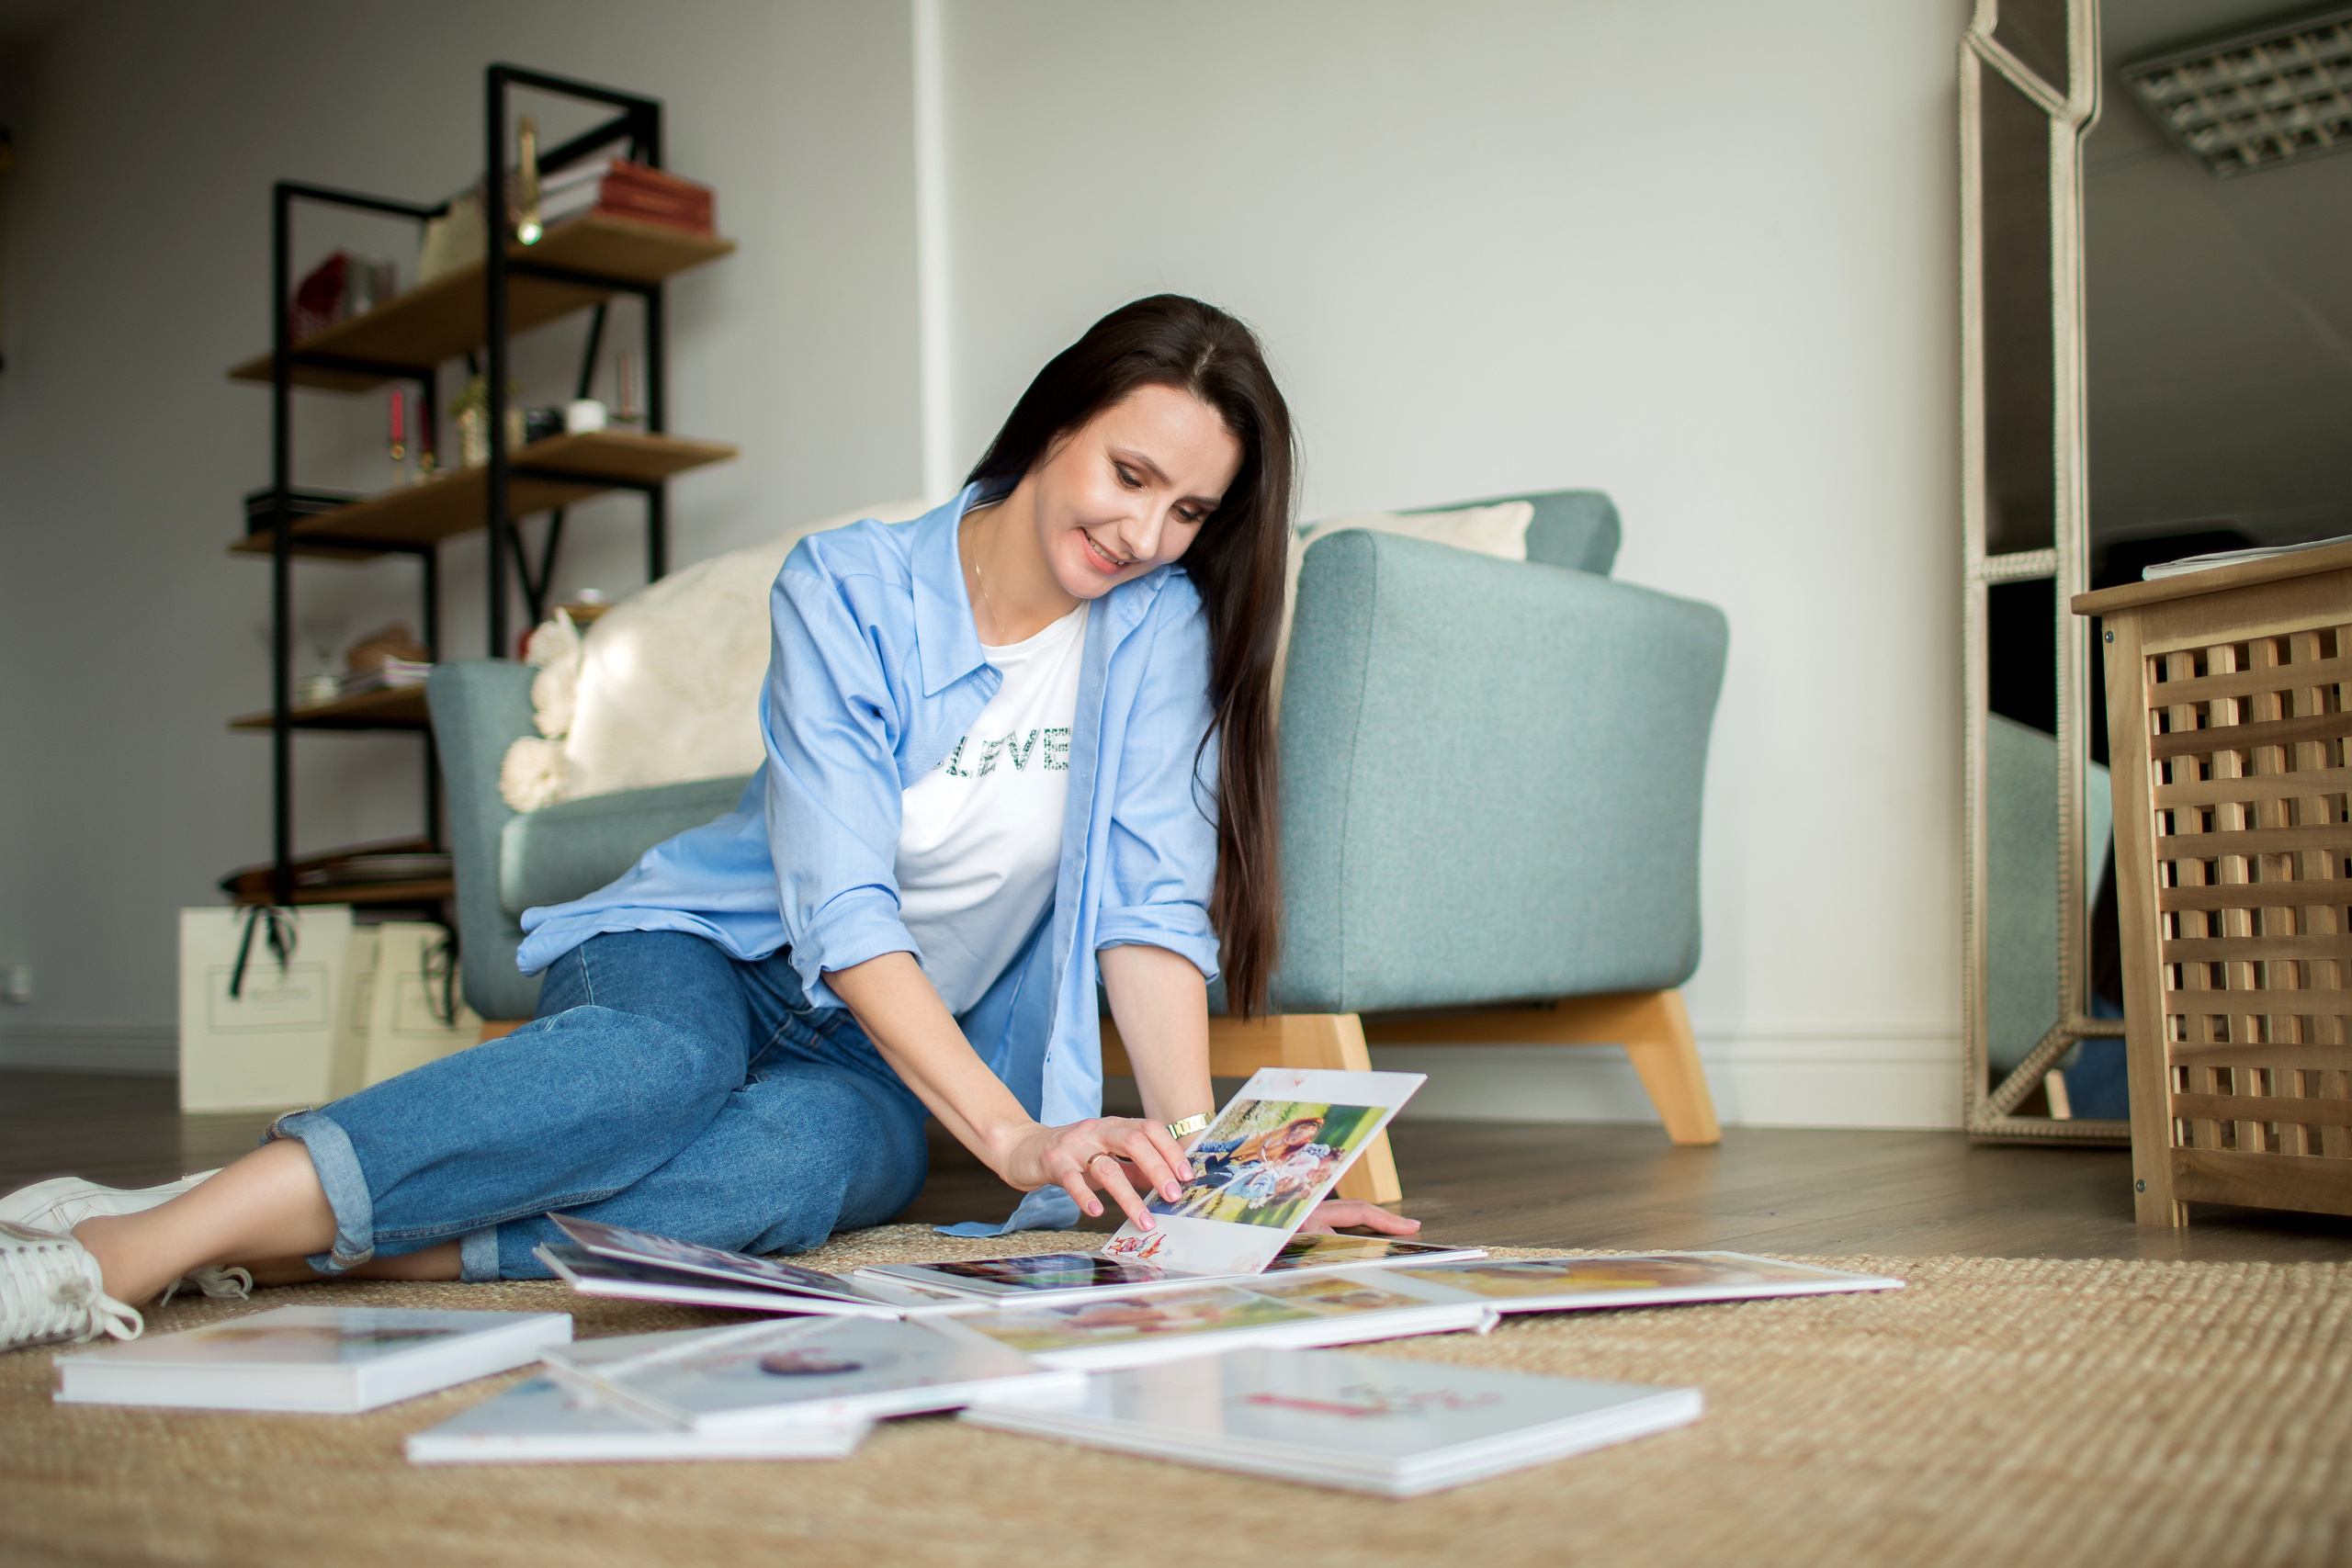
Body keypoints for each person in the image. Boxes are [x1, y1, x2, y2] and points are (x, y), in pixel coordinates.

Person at [0, 295, 1416, 1353]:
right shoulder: (848, 586)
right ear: (1056, 425)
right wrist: (1016, 1140)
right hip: (709, 948)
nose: (1147, 537)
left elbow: (1148, 903)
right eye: (1128, 477)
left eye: (1188, 512)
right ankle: (135, 1244)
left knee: (793, 1176)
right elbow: (841, 901)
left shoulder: (1156, 625)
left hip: (887, 1050)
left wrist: (1213, 1187)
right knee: (652, 1072)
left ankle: (309, 1234)